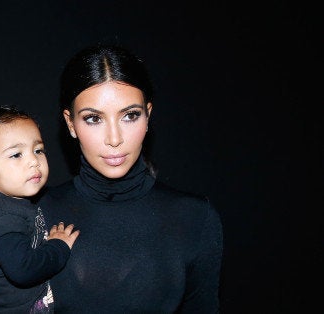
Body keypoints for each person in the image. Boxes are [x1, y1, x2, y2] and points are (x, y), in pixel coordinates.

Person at [37, 44, 223, 313]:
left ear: (148, 115)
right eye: (93, 119)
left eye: (130, 116)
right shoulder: (38, 213)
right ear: (70, 124)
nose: (115, 139)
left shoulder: (195, 218)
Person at [0, 103, 80, 313]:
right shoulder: (2, 214)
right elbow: (24, 270)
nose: (33, 161)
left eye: (38, 150)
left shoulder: (9, 203)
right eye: (16, 155)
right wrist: (59, 246)